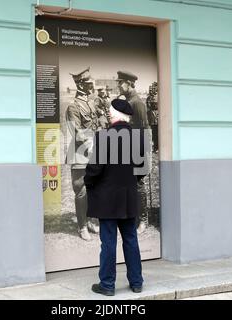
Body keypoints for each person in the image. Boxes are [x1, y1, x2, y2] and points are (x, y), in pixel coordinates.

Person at [84, 98, 146, 296]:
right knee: (131, 239)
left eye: (111, 111)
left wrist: (88, 181)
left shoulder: (104, 137)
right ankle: (137, 283)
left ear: (117, 115)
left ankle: (108, 286)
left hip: (107, 199)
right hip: (128, 198)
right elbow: (141, 170)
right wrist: (129, 181)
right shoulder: (137, 138)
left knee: (108, 242)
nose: (109, 113)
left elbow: (95, 169)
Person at [65, 67, 100, 241]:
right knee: (81, 190)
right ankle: (82, 226)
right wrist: (91, 145)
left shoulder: (91, 103)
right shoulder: (73, 106)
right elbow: (76, 131)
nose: (91, 86)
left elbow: (95, 124)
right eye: (88, 83)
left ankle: (93, 221)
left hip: (93, 150)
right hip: (80, 153)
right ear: (80, 85)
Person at [116, 70, 150, 234]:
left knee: (138, 184)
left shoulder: (137, 103)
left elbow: (144, 129)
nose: (118, 85)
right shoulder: (126, 101)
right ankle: (132, 216)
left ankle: (143, 220)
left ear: (129, 84)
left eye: (120, 82)